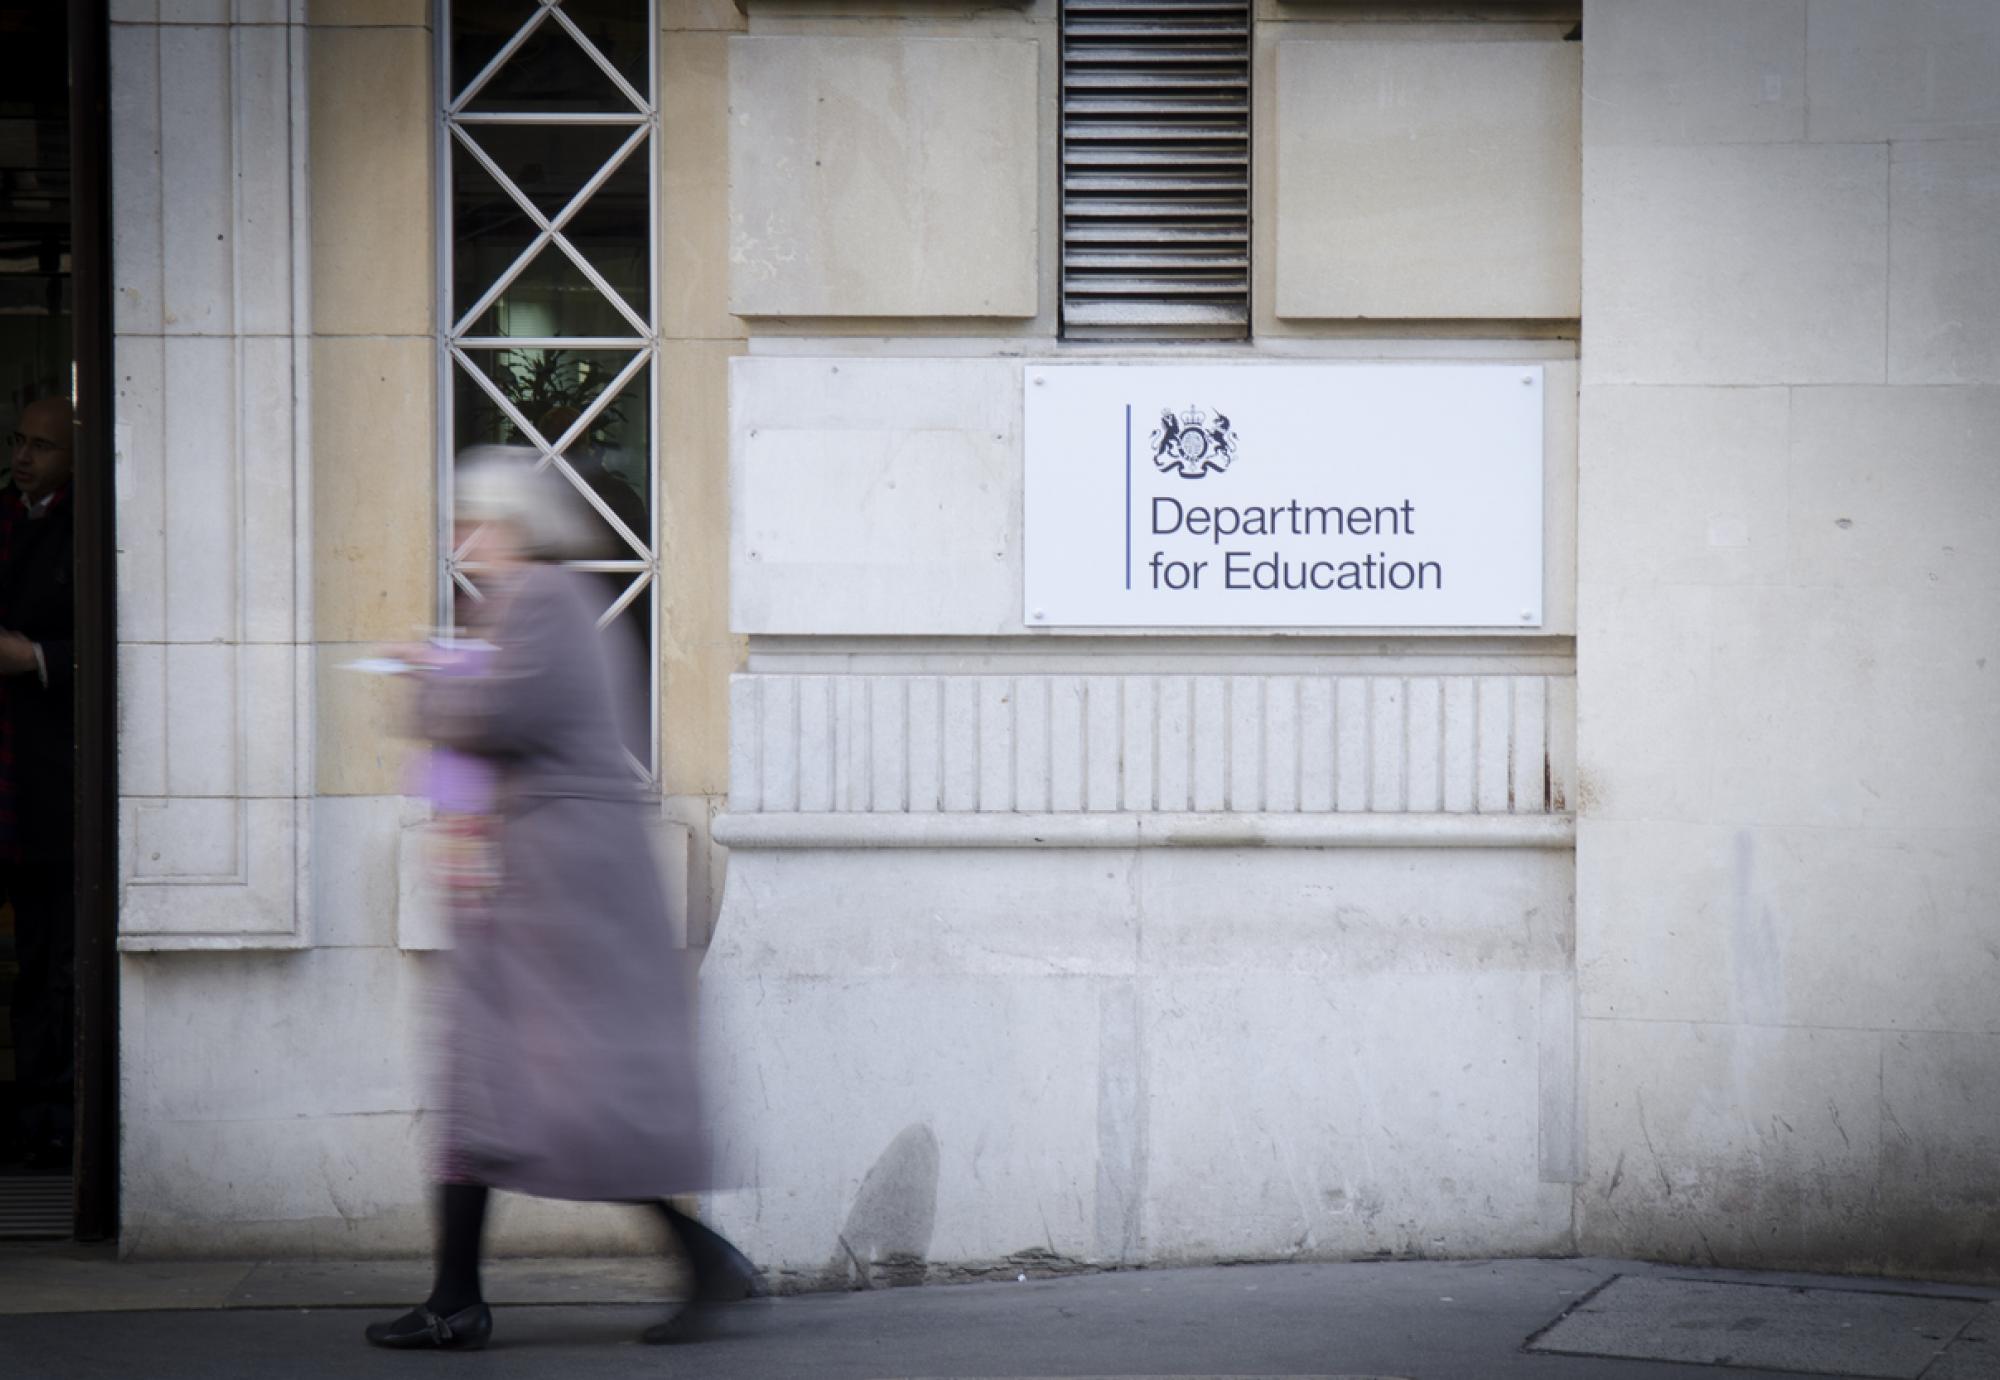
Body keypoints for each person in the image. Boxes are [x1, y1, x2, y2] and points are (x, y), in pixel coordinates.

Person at [365, 454, 756, 1352]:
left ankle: (698, 1262)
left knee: (564, 1104)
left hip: (558, 899)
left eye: (477, 523)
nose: (463, 540)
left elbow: (490, 718)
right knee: (498, 1097)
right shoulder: (538, 603)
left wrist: (425, 672)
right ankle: (459, 1295)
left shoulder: (541, 600)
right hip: (538, 893)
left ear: (516, 527)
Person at [0, 398, 76, 1170]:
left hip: (51, 780)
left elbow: (117, 642)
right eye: (19, 443)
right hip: (9, 768)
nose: (26, 458)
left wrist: (39, 659)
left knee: (53, 960)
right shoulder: (5, 516)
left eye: (43, 446)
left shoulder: (88, 526)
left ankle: (48, 1120)